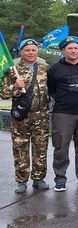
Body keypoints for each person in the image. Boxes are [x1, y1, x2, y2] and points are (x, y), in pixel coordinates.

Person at [1, 38, 50, 193]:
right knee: (20, 148)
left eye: (33, 50)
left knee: (40, 148)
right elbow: (3, 93)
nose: (30, 53)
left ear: (37, 52)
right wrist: (15, 86)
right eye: (27, 50)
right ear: (21, 52)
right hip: (21, 117)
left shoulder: (44, 68)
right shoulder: (12, 69)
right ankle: (21, 180)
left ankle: (39, 178)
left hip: (41, 116)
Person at [47, 36, 78, 191]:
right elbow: (51, 90)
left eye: (75, 48)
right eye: (70, 48)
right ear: (63, 50)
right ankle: (60, 178)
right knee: (60, 146)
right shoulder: (54, 69)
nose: (73, 51)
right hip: (63, 114)